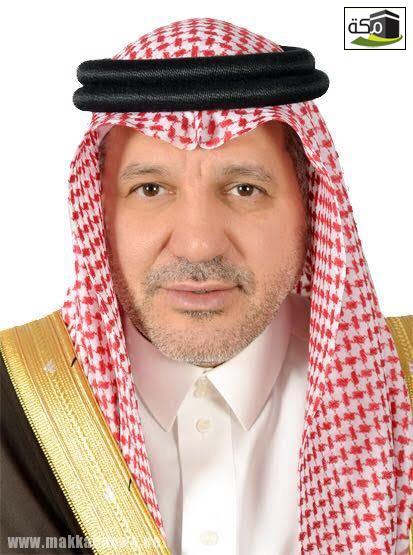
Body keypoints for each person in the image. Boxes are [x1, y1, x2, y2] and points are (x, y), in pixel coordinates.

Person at [1, 17, 412, 555]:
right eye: (151, 189)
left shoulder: (401, 389)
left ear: (310, 207)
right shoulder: (12, 402)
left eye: (245, 189)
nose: (198, 245)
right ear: (97, 209)